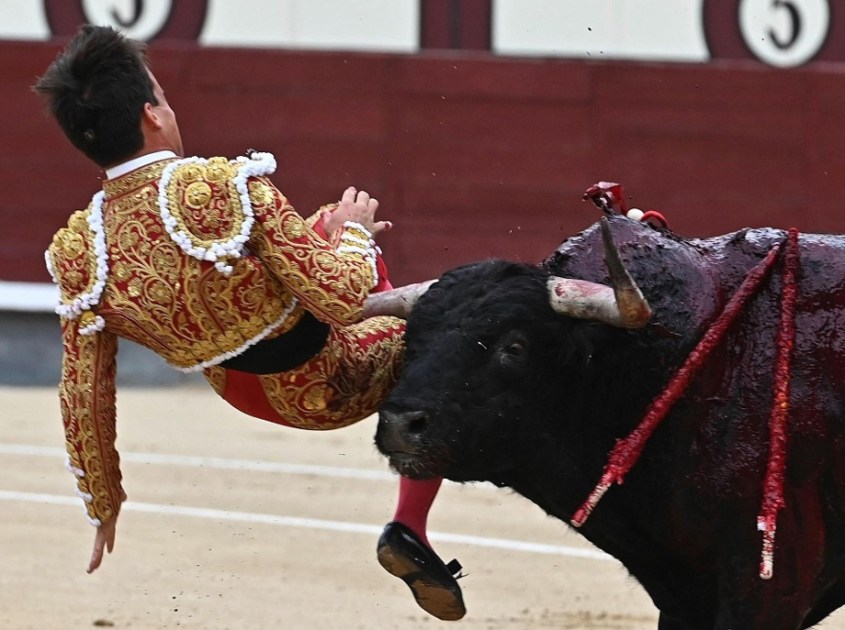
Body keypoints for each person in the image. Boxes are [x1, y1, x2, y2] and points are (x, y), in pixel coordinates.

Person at [34, 25, 465, 621]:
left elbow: (83, 393)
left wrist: (102, 502)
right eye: (164, 98)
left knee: (327, 233)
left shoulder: (83, 247)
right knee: (457, 335)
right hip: (330, 375)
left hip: (244, 391)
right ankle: (409, 523)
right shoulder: (221, 187)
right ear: (151, 115)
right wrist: (356, 233)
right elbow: (342, 299)